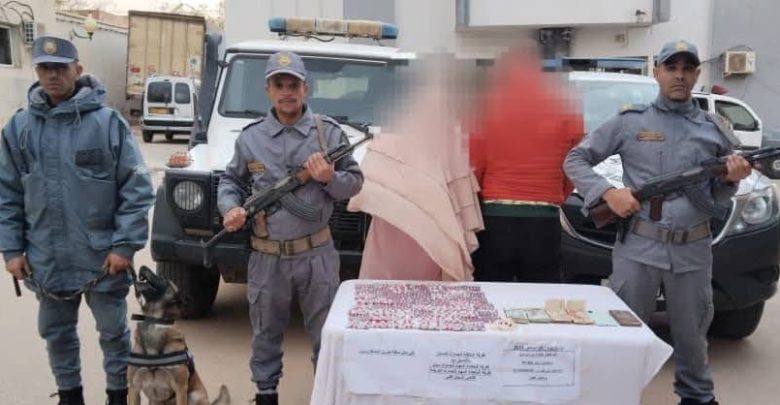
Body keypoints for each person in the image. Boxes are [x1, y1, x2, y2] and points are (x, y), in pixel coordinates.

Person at [563, 40, 753, 405]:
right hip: (639, 247)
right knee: (624, 334)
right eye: (671, 67)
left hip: (693, 250)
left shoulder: (714, 128)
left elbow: (719, 193)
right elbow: (576, 159)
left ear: (697, 74)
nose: (679, 75)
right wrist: (608, 193)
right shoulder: (630, 121)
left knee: (692, 336)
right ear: (657, 72)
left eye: (687, 68)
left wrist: (732, 180)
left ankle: (697, 397)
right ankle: (616, 397)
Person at [0, 36, 155, 405]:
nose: (52, 75)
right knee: (56, 334)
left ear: (78, 70)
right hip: (46, 257)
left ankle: (118, 396)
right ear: (37, 71)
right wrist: (11, 249)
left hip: (102, 256)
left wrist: (124, 246)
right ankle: (70, 397)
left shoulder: (107, 124)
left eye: (60, 67)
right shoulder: (19, 128)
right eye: (44, 67)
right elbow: (7, 194)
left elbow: (136, 189)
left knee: (114, 334)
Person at [217, 51, 363, 405]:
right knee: (265, 334)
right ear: (268, 90)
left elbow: (355, 183)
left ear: (305, 89)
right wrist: (230, 208)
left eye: (293, 85)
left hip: (317, 255)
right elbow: (230, 181)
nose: (287, 92)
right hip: (267, 257)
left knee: (326, 336)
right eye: (279, 84)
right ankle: (266, 395)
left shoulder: (328, 134)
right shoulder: (250, 138)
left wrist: (328, 178)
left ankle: (325, 396)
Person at [470, 46, 584, 283]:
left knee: (492, 290)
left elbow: (475, 165)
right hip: (544, 219)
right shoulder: (565, 108)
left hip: (495, 217)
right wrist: (556, 196)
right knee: (540, 294)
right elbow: (573, 165)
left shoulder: (487, 106)